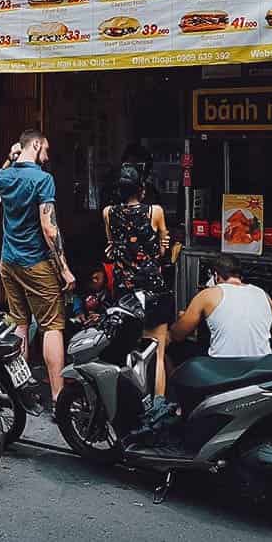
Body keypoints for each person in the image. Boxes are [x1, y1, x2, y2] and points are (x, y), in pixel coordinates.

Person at [0, 129, 76, 404]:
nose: (47, 156)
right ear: (37, 144)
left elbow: (0, 173)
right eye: (46, 150)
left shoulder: (3, 177)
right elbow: (49, 229)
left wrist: (10, 156)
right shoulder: (43, 180)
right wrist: (64, 268)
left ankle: (20, 390)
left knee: (20, 322)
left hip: (8, 261)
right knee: (52, 326)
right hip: (35, 263)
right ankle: (58, 397)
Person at [104, 164, 173, 396]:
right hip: (153, 290)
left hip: (125, 294)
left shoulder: (108, 213)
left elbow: (113, 247)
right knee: (158, 354)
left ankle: (134, 405)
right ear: (141, 189)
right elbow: (163, 250)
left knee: (129, 352)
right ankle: (158, 406)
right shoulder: (156, 212)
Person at [170, 254, 272, 357]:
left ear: (215, 275)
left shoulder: (208, 294)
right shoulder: (263, 294)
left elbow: (177, 334)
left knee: (171, 347)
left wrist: (185, 318)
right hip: (261, 366)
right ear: (240, 276)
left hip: (223, 368)